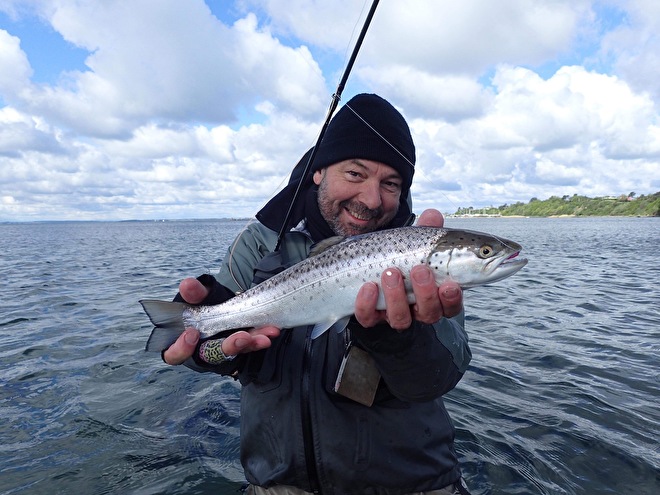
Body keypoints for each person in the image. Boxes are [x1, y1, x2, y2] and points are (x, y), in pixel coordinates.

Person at [160, 94, 472, 494]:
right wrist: (213, 351)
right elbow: (209, 352)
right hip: (278, 484)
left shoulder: (419, 260)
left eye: (390, 183)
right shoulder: (259, 243)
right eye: (355, 174)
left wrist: (396, 338)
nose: (372, 200)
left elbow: (441, 377)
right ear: (319, 171)